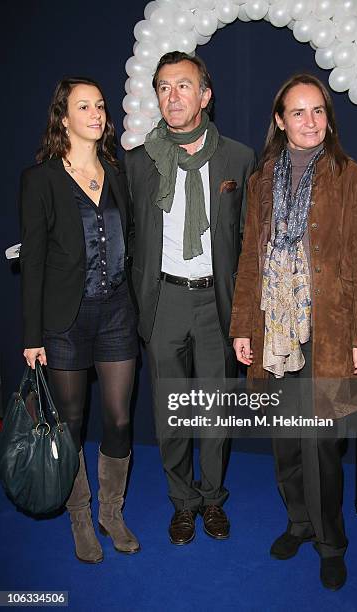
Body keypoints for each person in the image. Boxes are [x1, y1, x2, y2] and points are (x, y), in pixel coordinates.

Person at [230, 73, 357, 590]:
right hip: (275, 329)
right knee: (286, 440)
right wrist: (243, 325)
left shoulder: (353, 177)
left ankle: (330, 542)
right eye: (299, 112)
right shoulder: (260, 180)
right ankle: (297, 521)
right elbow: (250, 259)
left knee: (320, 443)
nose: (311, 122)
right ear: (280, 120)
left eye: (319, 111)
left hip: (329, 330)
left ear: (328, 118)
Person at [125, 52, 256, 545]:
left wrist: (245, 314)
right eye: (163, 87)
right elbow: (130, 237)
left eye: (184, 85)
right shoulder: (138, 163)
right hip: (163, 305)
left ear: (205, 96)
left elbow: (248, 241)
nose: (172, 95)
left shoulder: (238, 160)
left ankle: (212, 498)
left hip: (215, 306)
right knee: (172, 413)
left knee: (216, 414)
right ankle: (182, 503)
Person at [19, 77, 140, 563]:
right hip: (65, 321)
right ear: (63, 118)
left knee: (119, 417)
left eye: (101, 106)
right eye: (83, 106)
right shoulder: (41, 179)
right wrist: (32, 335)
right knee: (71, 422)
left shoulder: (117, 172)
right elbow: (33, 263)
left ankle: (112, 511)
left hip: (116, 314)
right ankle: (81, 517)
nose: (95, 113)